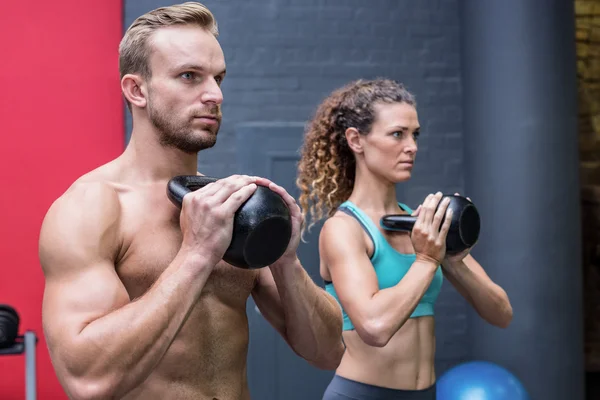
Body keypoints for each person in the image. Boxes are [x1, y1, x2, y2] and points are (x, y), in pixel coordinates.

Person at [38, 3, 345, 399]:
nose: (214, 95)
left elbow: (327, 351)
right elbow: (88, 381)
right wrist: (196, 255)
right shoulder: (92, 209)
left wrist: (286, 264)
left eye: (218, 78)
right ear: (137, 90)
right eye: (189, 76)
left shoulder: (229, 207)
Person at [295, 78, 513, 400]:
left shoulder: (422, 226)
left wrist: (451, 260)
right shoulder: (344, 229)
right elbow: (374, 327)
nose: (412, 146)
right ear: (356, 140)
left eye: (415, 134)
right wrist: (426, 260)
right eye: (398, 134)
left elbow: (501, 313)